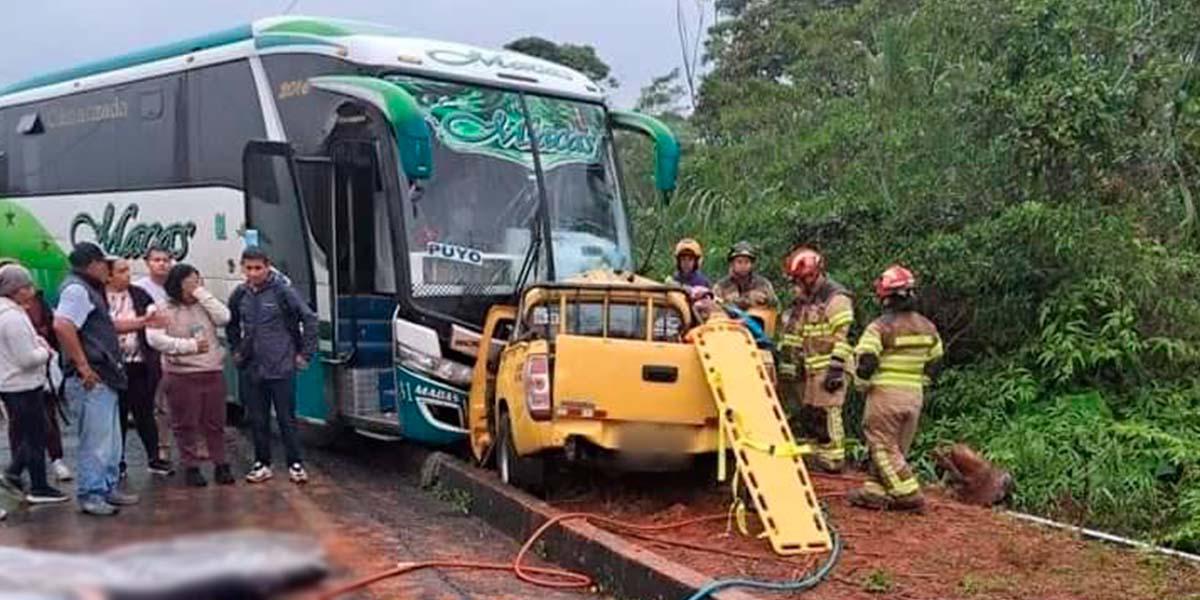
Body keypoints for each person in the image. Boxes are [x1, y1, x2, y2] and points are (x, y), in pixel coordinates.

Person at [53, 242, 144, 516]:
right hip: (93, 378)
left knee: (110, 440)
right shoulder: (77, 290)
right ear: (93, 264)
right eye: (105, 263)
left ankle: (106, 487)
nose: (108, 268)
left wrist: (143, 323)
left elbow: (103, 326)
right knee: (96, 441)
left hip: (105, 375)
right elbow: (62, 324)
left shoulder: (89, 289)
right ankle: (91, 494)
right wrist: (83, 366)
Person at [848, 265, 944, 512]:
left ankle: (908, 493)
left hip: (886, 395)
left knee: (881, 445)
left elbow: (867, 359)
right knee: (897, 448)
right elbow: (936, 360)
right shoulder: (928, 327)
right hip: (914, 396)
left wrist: (861, 382)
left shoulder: (880, 327)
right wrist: (921, 382)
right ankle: (874, 490)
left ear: (886, 297)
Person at [227, 247, 317, 484]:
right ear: (242, 268)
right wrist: (236, 350)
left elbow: (309, 318)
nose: (253, 273)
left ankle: (295, 464)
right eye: (249, 268)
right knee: (258, 419)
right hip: (252, 367)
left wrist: (305, 354)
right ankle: (262, 463)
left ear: (267, 267)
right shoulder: (240, 294)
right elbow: (231, 323)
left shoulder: (282, 292)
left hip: (281, 365)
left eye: (258, 268)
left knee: (286, 419)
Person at [148, 264, 234, 487]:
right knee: (185, 423)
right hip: (181, 373)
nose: (195, 286)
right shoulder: (160, 308)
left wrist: (201, 293)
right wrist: (188, 346)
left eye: (198, 280)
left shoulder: (205, 304)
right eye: (190, 282)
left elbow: (224, 317)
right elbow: (155, 339)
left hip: (212, 370)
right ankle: (191, 465)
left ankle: (221, 463)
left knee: (215, 422)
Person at [777, 247, 854, 473]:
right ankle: (819, 456)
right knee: (813, 413)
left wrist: (836, 368)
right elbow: (798, 334)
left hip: (831, 366)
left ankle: (835, 458)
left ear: (811, 276)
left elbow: (843, 336)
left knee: (828, 411)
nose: (798, 285)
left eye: (800, 280)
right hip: (813, 367)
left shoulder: (836, 298)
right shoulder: (808, 300)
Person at [0, 264, 68, 504]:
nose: (32, 290)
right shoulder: (12, 318)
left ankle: (20, 475)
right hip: (22, 385)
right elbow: (26, 359)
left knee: (36, 433)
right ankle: (32, 483)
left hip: (15, 384)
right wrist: (44, 352)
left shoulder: (11, 313)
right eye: (27, 286)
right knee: (35, 435)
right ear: (15, 290)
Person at [107, 259, 171, 478]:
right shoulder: (99, 297)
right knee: (118, 415)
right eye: (121, 271)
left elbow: (155, 318)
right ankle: (118, 461)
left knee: (144, 412)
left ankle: (154, 458)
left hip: (140, 363)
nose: (127, 275)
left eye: (128, 270)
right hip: (113, 366)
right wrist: (141, 321)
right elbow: (109, 326)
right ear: (108, 275)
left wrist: (149, 319)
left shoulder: (139, 294)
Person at [134, 244, 175, 466]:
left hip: (180, 349)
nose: (162, 264)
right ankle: (162, 447)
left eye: (166, 260)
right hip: (152, 352)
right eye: (157, 260)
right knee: (159, 404)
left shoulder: (176, 285)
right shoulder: (139, 289)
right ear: (147, 263)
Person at [713, 241, 778, 310]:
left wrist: (764, 300)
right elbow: (714, 307)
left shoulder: (763, 284)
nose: (743, 265)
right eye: (739, 262)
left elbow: (775, 304)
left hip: (757, 316)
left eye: (747, 262)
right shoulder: (721, 287)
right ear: (732, 263)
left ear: (752, 264)